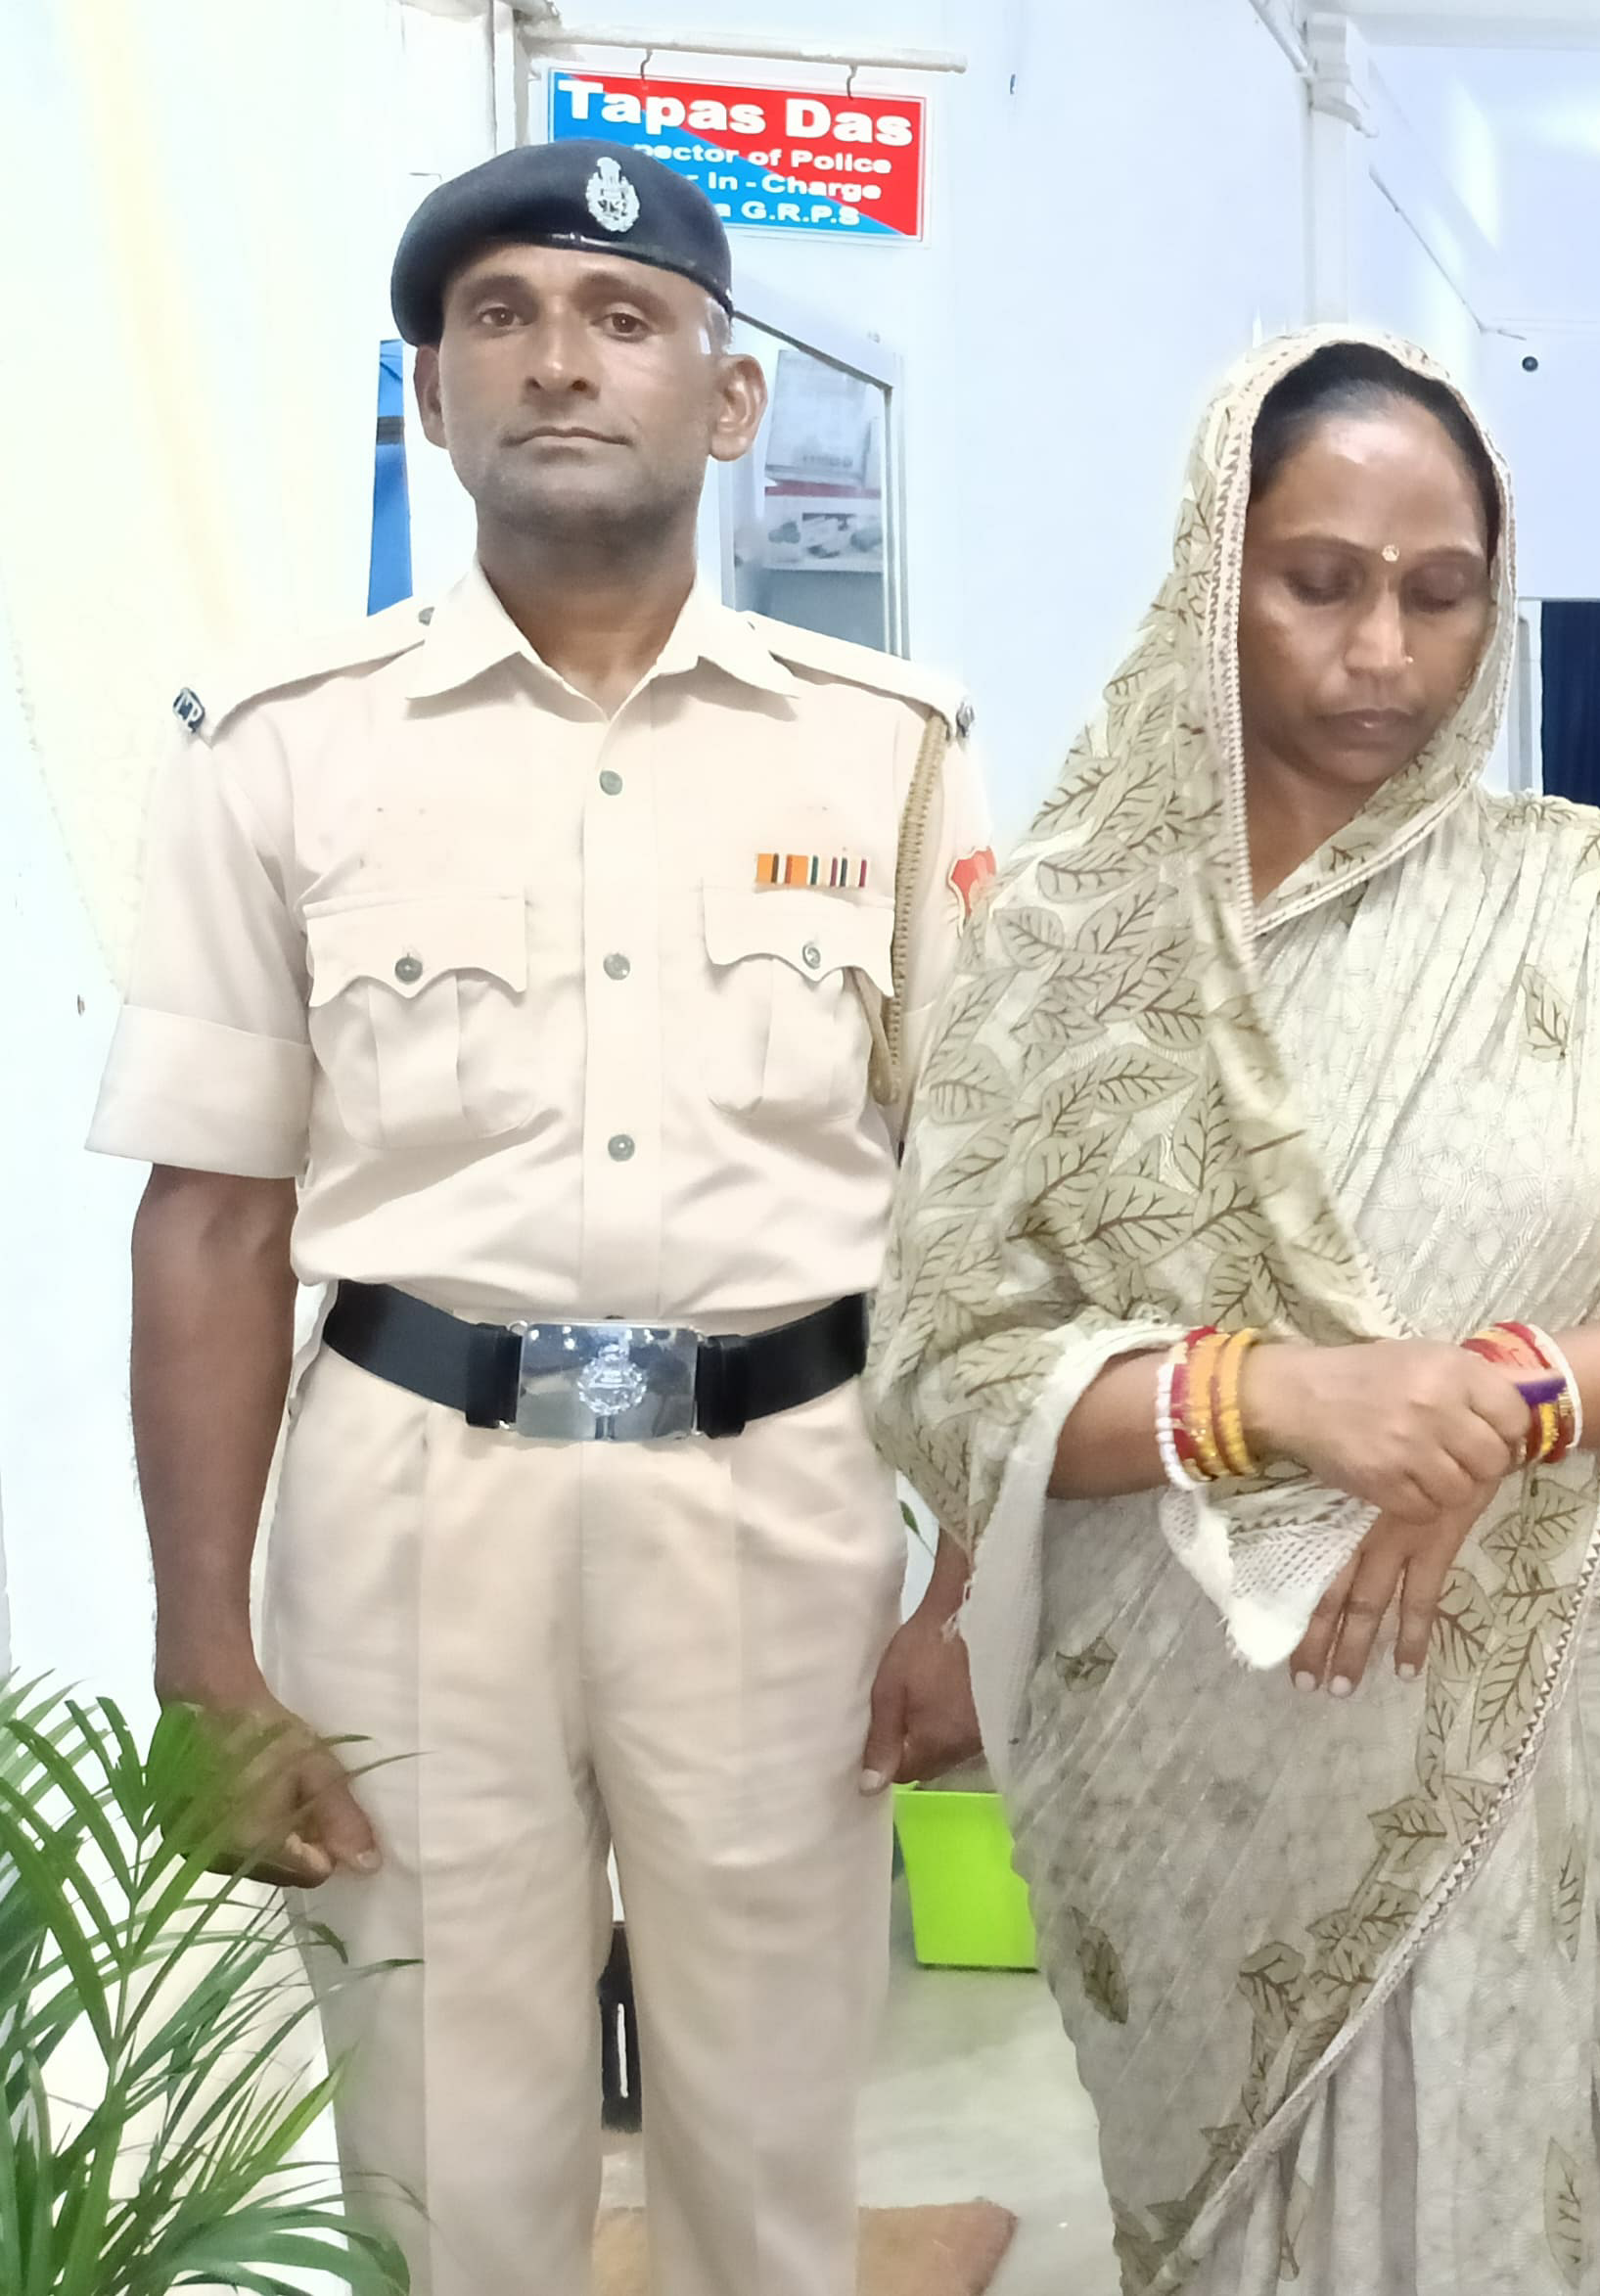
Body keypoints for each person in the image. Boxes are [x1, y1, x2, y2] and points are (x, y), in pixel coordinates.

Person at [90, 139, 991, 2296]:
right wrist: (205, 1650)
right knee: (438, 2156)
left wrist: (973, 1579)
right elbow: (210, 1219)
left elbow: (982, 1207)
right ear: (433, 391)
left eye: (622, 318)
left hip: (778, 1508)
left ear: (729, 396)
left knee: (769, 2147)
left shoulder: (888, 754)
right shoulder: (280, 750)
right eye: (498, 317)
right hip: (414, 1511)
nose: (559, 362)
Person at [867, 328, 1600, 2295]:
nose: (1383, 649)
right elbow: (953, 1365)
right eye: (1319, 583)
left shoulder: (1598, 908)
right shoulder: (1065, 946)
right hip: (1209, 1743)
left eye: (1440, 593)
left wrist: (1511, 1396)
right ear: (1212, 576)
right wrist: (1276, 1404)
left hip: (1565, 1716)